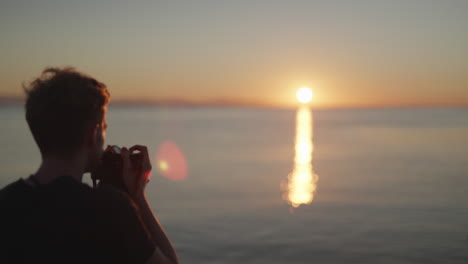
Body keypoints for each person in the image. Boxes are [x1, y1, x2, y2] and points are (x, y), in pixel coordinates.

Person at [0, 67, 179, 264]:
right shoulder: (110, 208)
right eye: (104, 128)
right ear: (92, 135)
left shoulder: (6, 203)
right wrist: (138, 196)